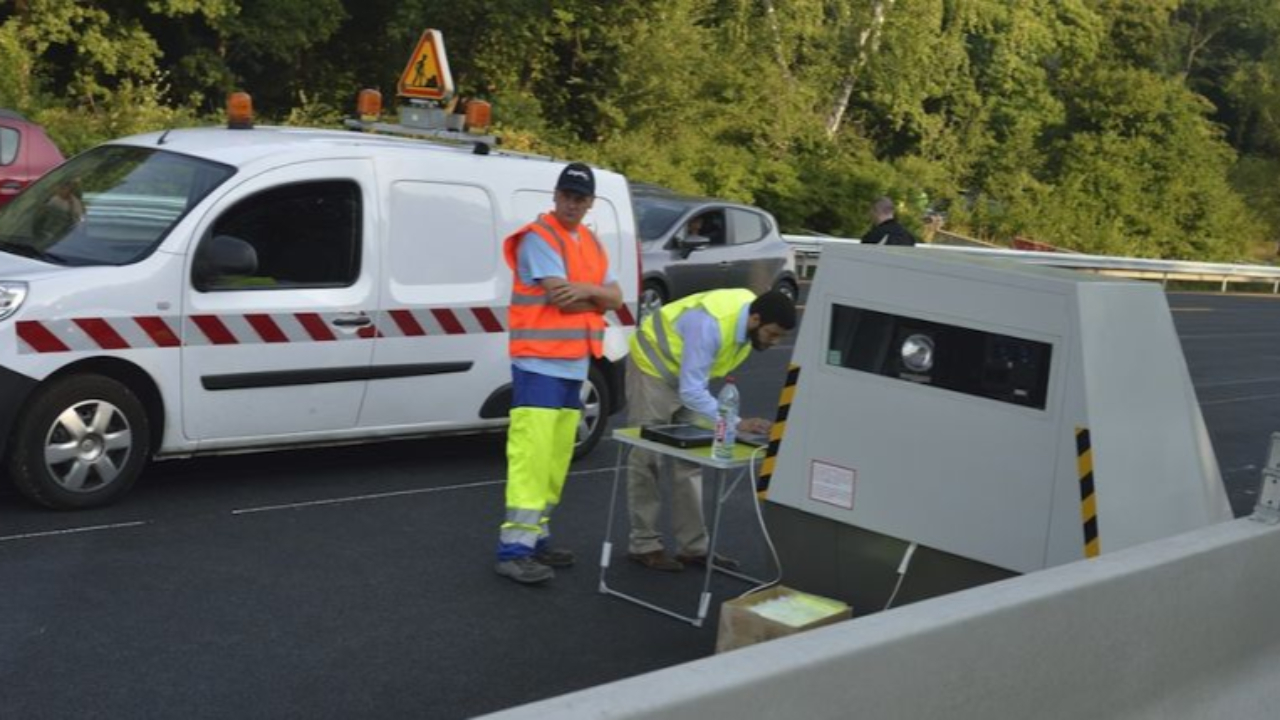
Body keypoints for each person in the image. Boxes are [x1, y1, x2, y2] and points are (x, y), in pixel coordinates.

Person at [495, 162, 624, 585]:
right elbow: (563, 301)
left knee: (554, 460)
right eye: (567, 195)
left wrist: (589, 292)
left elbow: (615, 296)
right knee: (533, 458)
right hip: (539, 364)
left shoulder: (589, 241)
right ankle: (513, 550)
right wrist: (597, 297)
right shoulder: (540, 238)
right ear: (555, 196)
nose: (572, 202)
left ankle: (536, 539)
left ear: (589, 203)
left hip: (573, 365)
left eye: (580, 197)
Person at [625, 288, 796, 571]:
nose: (774, 342)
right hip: (653, 368)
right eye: (772, 334)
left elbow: (693, 386)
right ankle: (644, 544)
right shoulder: (711, 324)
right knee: (646, 459)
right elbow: (692, 390)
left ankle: (693, 548)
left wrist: (727, 419)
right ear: (755, 319)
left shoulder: (750, 318)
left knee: (691, 460)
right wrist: (736, 422)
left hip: (688, 378)